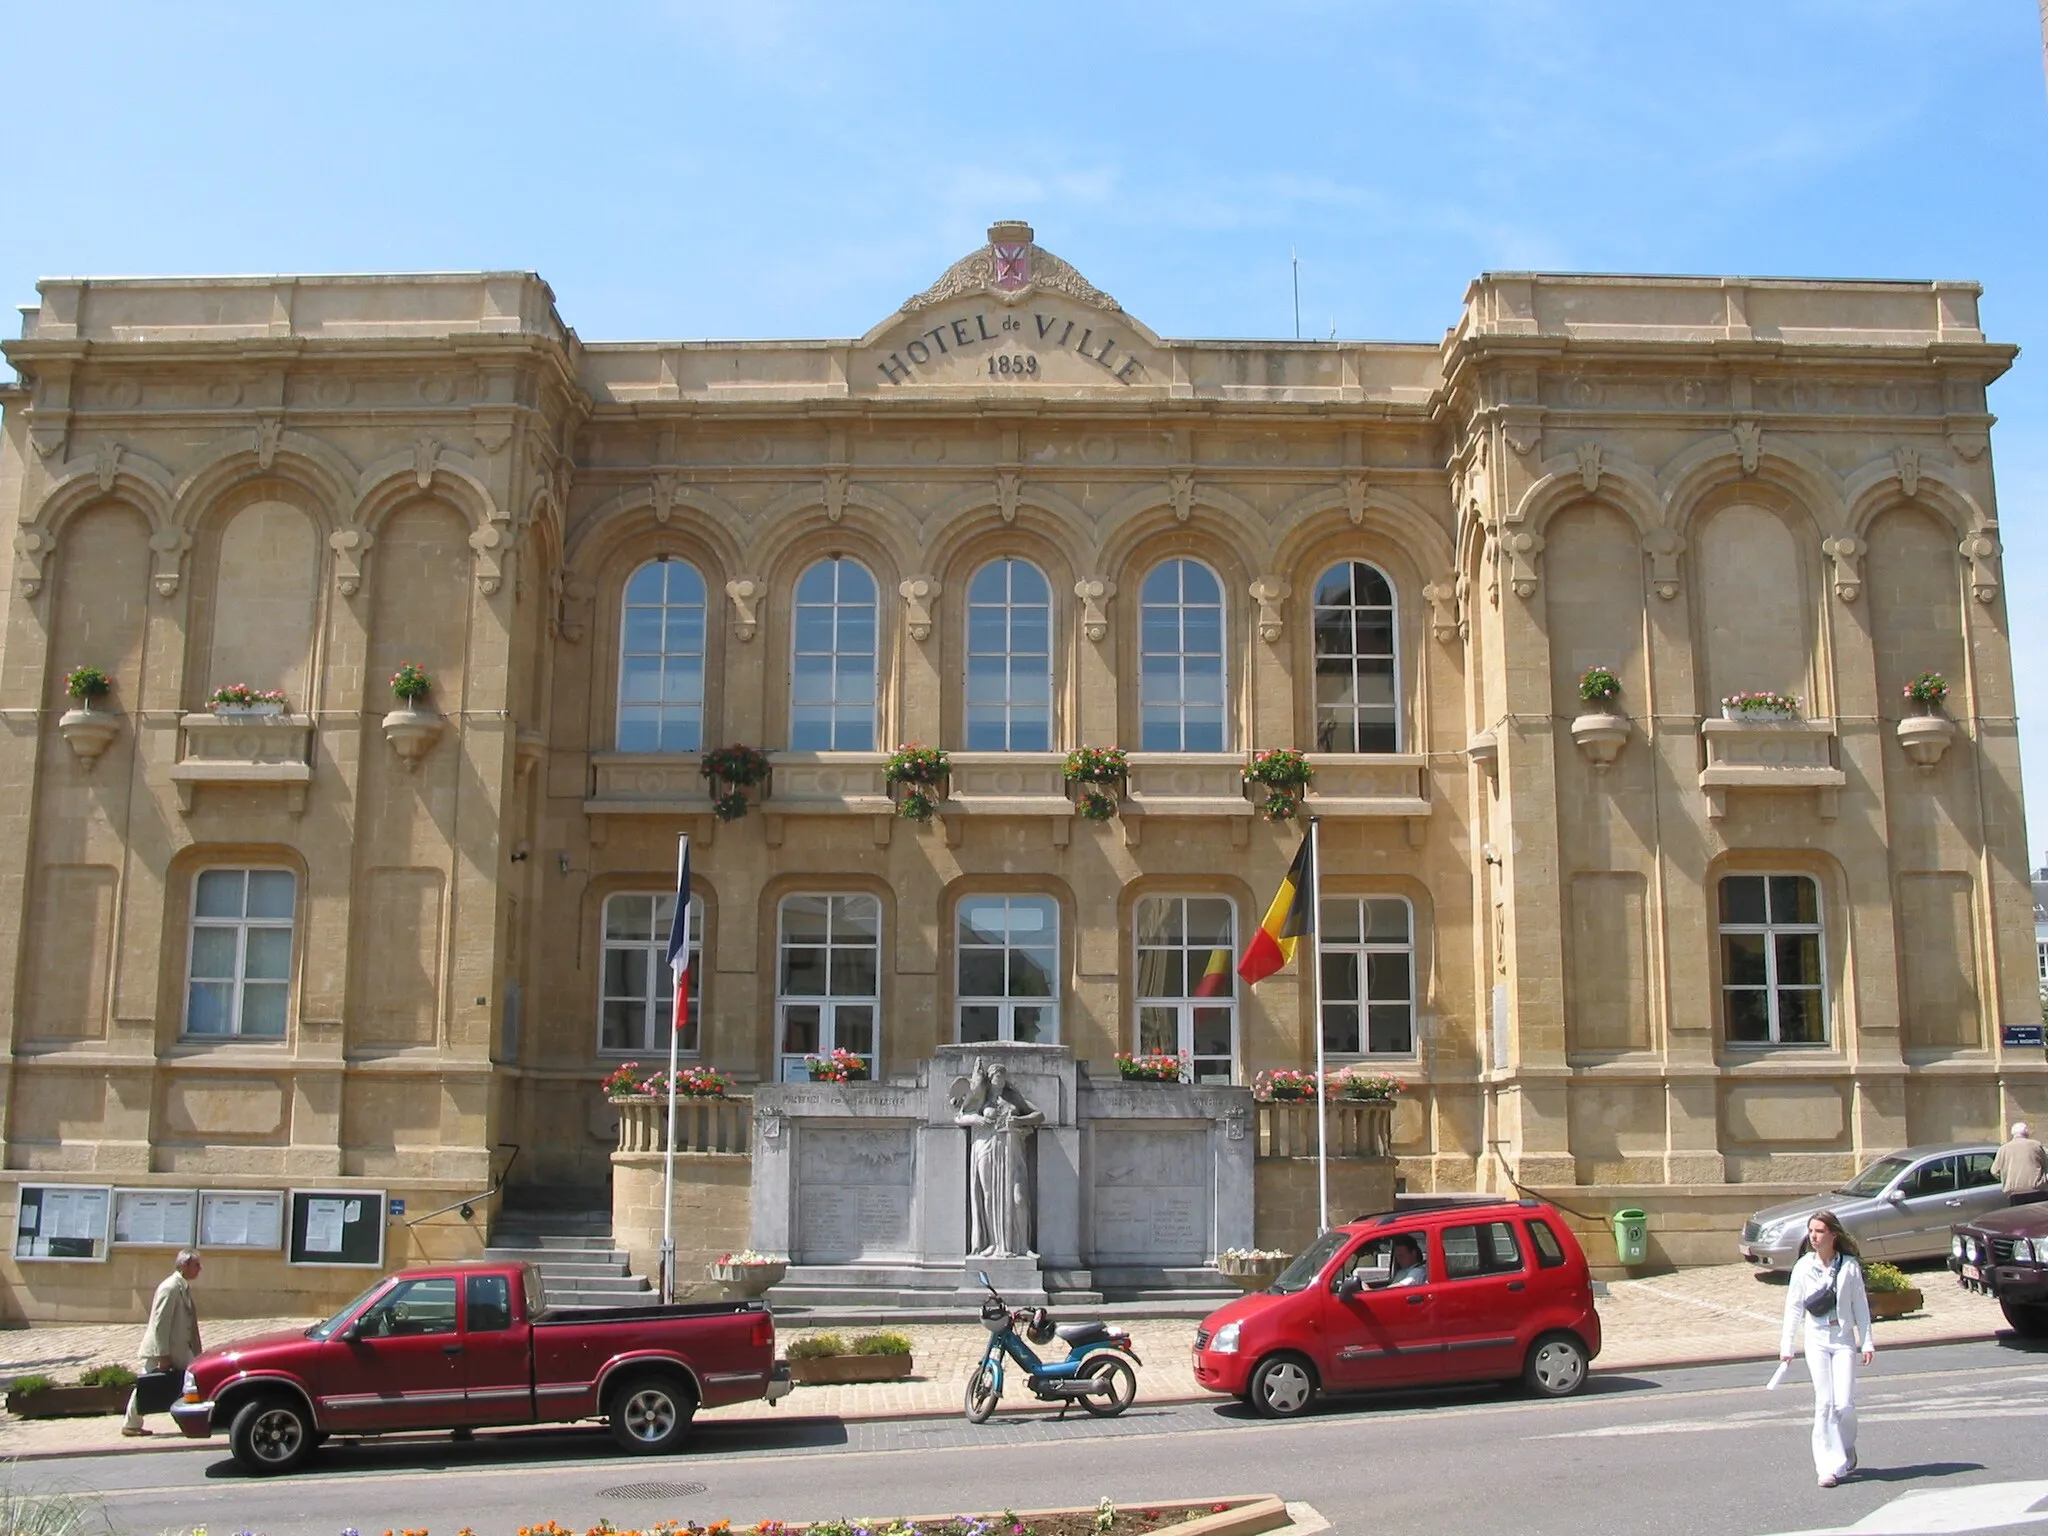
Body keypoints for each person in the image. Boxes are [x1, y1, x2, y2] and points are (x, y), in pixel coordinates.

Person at [1778, 1211, 1872, 1488]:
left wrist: (1866, 1340)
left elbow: (1861, 1306)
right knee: (1824, 1403)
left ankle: (1846, 1447)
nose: (1813, 1236)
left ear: (1833, 1234)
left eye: (1819, 1231)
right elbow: (1793, 1307)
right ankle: (1827, 1467)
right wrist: (1787, 1345)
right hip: (1816, 1338)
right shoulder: (1803, 1267)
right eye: (1811, 1231)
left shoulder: (1849, 1266)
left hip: (1842, 1338)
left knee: (1843, 1404)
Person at [122, 1249, 203, 1436]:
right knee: (150, 1383)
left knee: (181, 1381)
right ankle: (131, 1424)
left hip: (179, 1348)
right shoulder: (170, 1287)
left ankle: (133, 1423)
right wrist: (163, 1355)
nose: (200, 1269)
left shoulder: (182, 1286)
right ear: (184, 1265)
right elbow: (160, 1323)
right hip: (168, 1349)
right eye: (196, 1265)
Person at [1993, 1121, 2048, 1204]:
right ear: (2026, 1132)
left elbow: (1994, 1171)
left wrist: (2006, 1178)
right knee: (2038, 1215)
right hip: (2037, 1189)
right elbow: (2045, 1164)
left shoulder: (2003, 1149)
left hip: (2015, 1192)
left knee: (2019, 1215)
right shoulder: (2036, 1145)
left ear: (2012, 1134)